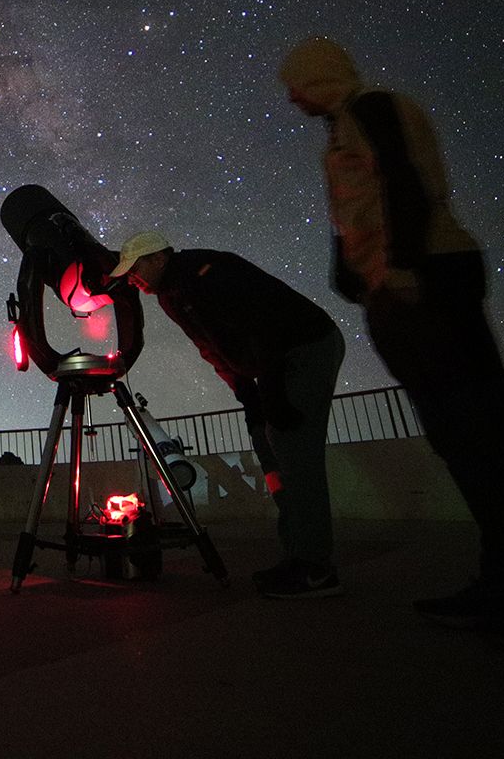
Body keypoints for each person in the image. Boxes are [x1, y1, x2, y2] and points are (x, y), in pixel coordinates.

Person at [279, 36, 504, 639]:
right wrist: (358, 274)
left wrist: (404, 269)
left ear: (318, 78)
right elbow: (361, 205)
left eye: (296, 83)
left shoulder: (375, 108)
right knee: (462, 441)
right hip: (399, 287)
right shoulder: (342, 129)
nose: (290, 97)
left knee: (493, 433)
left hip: (427, 282)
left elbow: (405, 183)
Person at [109, 231, 346, 598]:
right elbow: (211, 348)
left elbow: (262, 326)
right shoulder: (171, 296)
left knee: (294, 449)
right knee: (272, 456)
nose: (133, 279)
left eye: (136, 269)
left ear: (158, 258)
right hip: (271, 363)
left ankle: (316, 567)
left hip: (304, 347)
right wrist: (248, 397)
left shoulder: (210, 271)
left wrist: (271, 393)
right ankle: (296, 556)